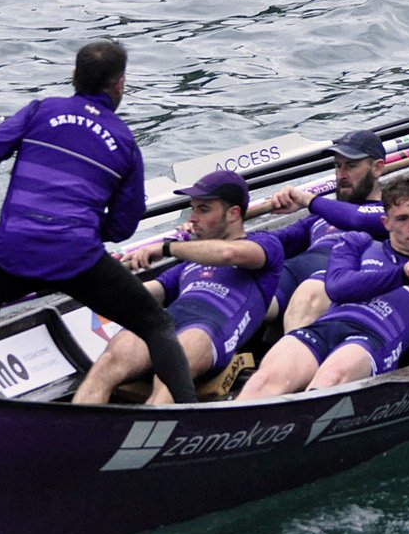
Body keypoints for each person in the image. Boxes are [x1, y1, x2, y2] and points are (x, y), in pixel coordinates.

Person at [0, 41, 196, 401]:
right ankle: (187, 408)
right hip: (78, 261)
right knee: (157, 324)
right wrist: (85, 231)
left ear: (73, 77)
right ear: (120, 84)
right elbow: (124, 224)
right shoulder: (124, 142)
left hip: (15, 253)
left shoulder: (41, 111)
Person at [237, 177, 409, 398]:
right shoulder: (358, 243)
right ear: (386, 222)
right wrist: (401, 275)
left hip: (372, 339)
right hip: (325, 328)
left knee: (331, 378)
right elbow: (338, 287)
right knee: (261, 382)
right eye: (402, 218)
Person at [74, 170, 283, 405]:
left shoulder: (265, 245)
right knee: (107, 363)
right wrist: (91, 277)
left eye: (203, 210)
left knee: (174, 366)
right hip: (164, 327)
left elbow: (227, 253)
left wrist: (166, 248)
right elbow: (148, 292)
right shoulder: (190, 262)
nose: (193, 218)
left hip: (209, 334)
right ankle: (74, 432)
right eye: (192, 208)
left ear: (233, 214)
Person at [265, 129, 388, 333]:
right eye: (337, 166)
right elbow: (279, 239)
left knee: (306, 298)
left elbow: (356, 218)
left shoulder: (391, 212)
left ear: (377, 168)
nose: (342, 175)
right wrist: (227, 237)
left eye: (351, 165)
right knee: (242, 289)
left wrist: (307, 200)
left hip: (336, 281)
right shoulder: (321, 214)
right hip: (295, 274)